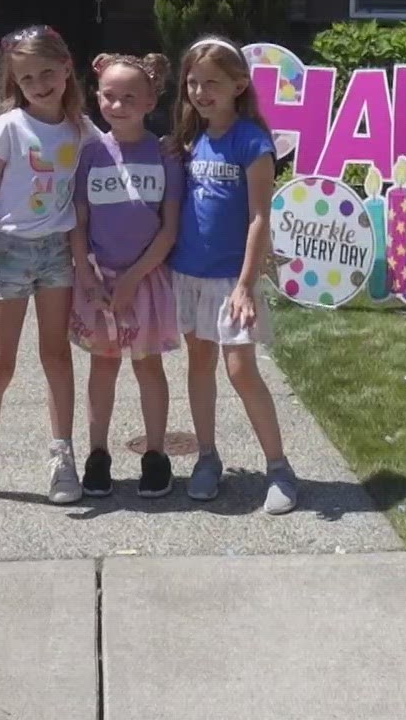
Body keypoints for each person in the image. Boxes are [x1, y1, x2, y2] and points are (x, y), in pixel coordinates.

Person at [0, 24, 92, 511]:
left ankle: (62, 457)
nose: (39, 83)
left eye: (47, 72)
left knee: (56, 355)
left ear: (67, 69)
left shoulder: (79, 127)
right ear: (16, 81)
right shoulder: (8, 127)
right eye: (27, 77)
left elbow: (117, 149)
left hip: (57, 251)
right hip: (9, 250)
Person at [167, 37, 297, 514]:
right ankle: (206, 458)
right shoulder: (189, 140)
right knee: (198, 364)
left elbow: (259, 216)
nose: (201, 92)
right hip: (188, 273)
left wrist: (245, 283)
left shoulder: (252, 141)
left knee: (241, 369)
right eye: (194, 82)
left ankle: (279, 467)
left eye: (213, 83)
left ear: (239, 85)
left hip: (230, 281)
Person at [69, 53, 183, 498]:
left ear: (151, 100)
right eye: (109, 97)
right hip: (99, 280)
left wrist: (135, 278)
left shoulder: (165, 154)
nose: (117, 106)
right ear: (97, 97)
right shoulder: (90, 153)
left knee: (148, 365)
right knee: (103, 365)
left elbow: (169, 227)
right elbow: (78, 222)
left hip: (146, 279)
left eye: (129, 97)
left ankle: (155, 454)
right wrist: (87, 274)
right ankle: (97, 454)